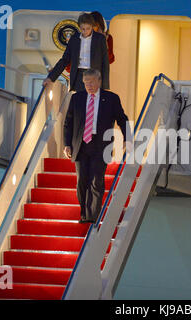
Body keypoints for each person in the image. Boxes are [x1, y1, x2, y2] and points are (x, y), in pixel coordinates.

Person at [63, 68, 131, 223]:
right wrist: (67, 144)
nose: (89, 85)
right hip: (80, 144)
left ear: (99, 81)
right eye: (86, 82)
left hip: (101, 144)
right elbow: (68, 123)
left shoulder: (111, 98)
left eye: (92, 82)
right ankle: (84, 213)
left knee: (96, 180)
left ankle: (93, 216)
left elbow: (122, 119)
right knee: (82, 180)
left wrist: (127, 138)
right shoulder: (77, 98)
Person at [43, 13, 109, 92]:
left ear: (92, 26)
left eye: (88, 28)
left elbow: (105, 62)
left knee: (92, 101)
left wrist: (105, 86)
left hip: (94, 74)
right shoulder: (74, 39)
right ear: (79, 27)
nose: (85, 32)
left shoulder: (100, 39)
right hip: (79, 76)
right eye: (83, 29)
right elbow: (64, 60)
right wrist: (50, 78)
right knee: (79, 101)